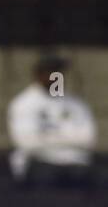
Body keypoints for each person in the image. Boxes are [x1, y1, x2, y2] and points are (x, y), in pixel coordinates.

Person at [6, 53, 97, 187]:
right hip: (39, 163)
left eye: (59, 72)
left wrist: (47, 138)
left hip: (75, 163)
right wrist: (70, 138)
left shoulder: (76, 104)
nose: (56, 76)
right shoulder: (23, 103)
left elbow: (88, 139)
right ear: (37, 74)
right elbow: (27, 142)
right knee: (46, 177)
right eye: (51, 71)